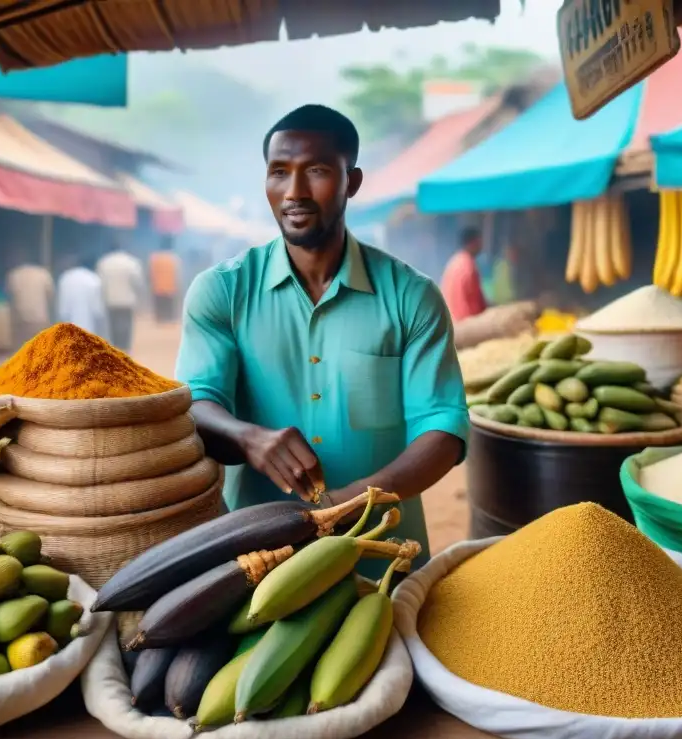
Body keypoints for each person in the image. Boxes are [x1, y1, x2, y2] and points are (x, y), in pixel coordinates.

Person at [175, 104, 467, 577]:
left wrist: (361, 499)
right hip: (252, 564)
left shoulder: (413, 296)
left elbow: (443, 430)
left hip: (383, 559)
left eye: (315, 171)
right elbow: (194, 402)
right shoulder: (223, 291)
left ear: (351, 182)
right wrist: (249, 439)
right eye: (278, 172)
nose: (294, 192)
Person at [96, 239, 146, 351]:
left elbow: (99, 283)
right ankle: (125, 348)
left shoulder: (103, 262)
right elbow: (138, 282)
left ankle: (116, 347)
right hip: (127, 300)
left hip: (110, 300)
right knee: (126, 326)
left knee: (113, 326)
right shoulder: (132, 262)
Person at [5, 247, 54, 349]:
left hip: (21, 321)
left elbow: (10, 298)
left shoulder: (13, 275)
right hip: (40, 320)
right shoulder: (43, 273)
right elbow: (51, 296)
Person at [440, 227, 488, 323]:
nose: (482, 246)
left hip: (450, 323)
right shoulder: (469, 266)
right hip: (466, 325)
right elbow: (477, 304)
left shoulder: (453, 262)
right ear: (474, 242)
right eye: (480, 242)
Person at [56, 254, 109, 339]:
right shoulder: (94, 279)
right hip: (89, 329)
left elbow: (62, 310)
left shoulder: (65, 278)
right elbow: (98, 310)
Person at [149, 237, 180, 324]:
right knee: (169, 308)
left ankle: (160, 319)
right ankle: (169, 319)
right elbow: (177, 274)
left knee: (160, 308)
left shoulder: (155, 257)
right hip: (170, 287)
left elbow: (151, 273)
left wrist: (152, 284)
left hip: (158, 287)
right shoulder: (174, 258)